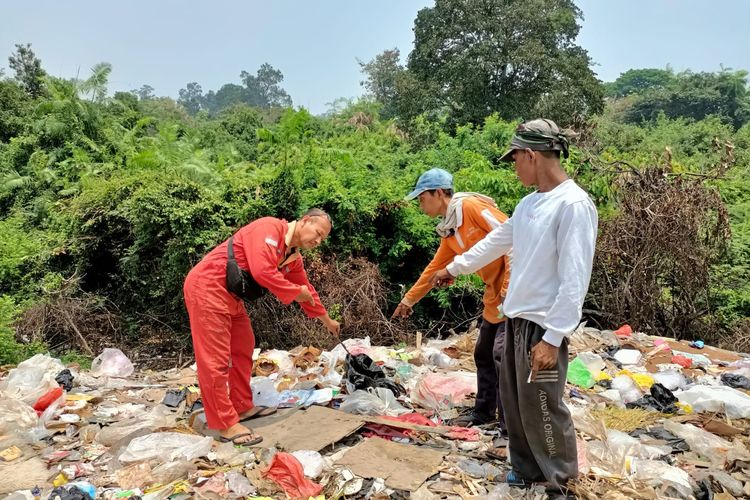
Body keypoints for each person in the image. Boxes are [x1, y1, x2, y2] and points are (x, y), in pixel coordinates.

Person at [430, 119, 598, 497]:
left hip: (543, 325)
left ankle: (561, 480)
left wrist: (554, 338)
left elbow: (575, 278)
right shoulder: (528, 204)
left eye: (515, 159)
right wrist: (453, 268)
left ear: (531, 155)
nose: (514, 167)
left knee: (543, 406)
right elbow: (494, 244)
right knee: (517, 404)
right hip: (516, 319)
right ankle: (525, 469)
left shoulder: (573, 205)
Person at [184, 208, 341, 444]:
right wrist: (295, 293)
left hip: (232, 297)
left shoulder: (292, 257)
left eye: (323, 239)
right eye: (317, 233)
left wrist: (328, 321)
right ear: (305, 221)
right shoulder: (268, 228)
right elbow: (262, 271)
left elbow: (307, 292)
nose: (318, 241)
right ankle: (225, 423)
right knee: (214, 360)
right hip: (208, 288)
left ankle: (241, 406)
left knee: (244, 347)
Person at [392, 168, 511, 428]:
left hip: (512, 292)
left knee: (502, 356)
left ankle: (509, 429)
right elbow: (433, 271)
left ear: (438, 193)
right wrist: (408, 301)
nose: (420, 204)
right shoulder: (450, 231)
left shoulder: (470, 207)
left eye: (423, 198)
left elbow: (514, 238)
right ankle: (483, 415)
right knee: (483, 354)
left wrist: (510, 287)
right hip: (493, 295)